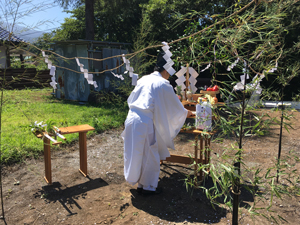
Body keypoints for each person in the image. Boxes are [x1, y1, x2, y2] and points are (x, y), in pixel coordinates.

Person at [121, 52, 193, 195]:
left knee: (134, 152)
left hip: (131, 118)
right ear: (166, 70)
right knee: (150, 153)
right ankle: (147, 187)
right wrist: (186, 113)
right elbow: (174, 106)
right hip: (144, 121)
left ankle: (140, 182)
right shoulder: (162, 83)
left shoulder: (143, 79)